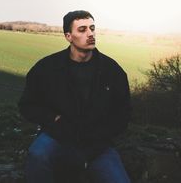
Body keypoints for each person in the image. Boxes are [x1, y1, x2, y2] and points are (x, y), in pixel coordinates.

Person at [18, 10, 131, 183]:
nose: (90, 34)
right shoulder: (47, 68)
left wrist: (101, 135)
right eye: (82, 29)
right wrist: (54, 118)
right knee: (37, 155)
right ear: (68, 36)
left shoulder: (112, 70)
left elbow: (123, 112)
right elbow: (27, 105)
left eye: (92, 28)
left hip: (98, 144)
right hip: (57, 136)